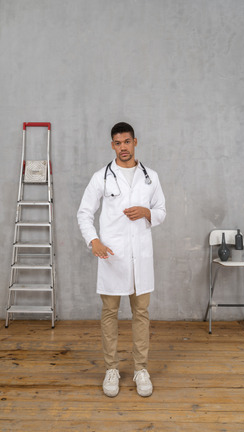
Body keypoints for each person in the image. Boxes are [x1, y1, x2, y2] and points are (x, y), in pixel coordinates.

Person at [77, 122, 166, 397]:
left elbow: (162, 210)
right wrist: (94, 241)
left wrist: (147, 212)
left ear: (135, 142)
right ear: (112, 145)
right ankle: (111, 369)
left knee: (141, 313)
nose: (123, 147)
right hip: (112, 257)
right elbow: (84, 213)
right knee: (110, 314)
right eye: (117, 143)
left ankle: (141, 369)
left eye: (127, 142)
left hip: (140, 257)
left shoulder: (150, 176)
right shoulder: (101, 177)